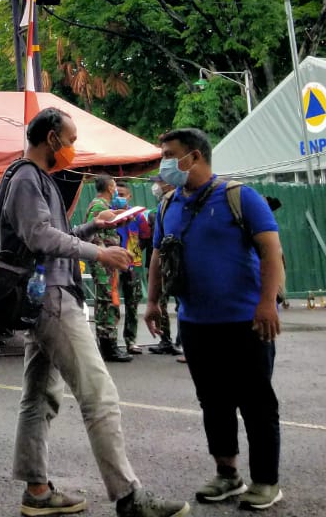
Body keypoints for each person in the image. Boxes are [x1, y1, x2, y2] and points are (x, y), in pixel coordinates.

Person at [0, 108, 189, 517]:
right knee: (99, 395)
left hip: (42, 296)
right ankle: (129, 496)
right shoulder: (29, 178)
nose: (72, 148)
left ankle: (37, 491)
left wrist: (90, 229)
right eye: (70, 140)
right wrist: (98, 252)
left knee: (39, 398)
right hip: (51, 299)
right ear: (51, 139)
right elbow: (39, 236)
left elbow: (52, 234)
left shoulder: (30, 178)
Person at [147, 128, 285, 511]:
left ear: (194, 156)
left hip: (245, 321)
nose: (165, 163)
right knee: (213, 401)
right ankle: (228, 474)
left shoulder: (240, 197)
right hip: (195, 323)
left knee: (257, 402)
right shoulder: (168, 204)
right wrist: (153, 301)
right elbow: (158, 254)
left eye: (170, 155)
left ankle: (266, 482)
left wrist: (267, 304)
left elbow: (271, 251)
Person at [84, 175, 130, 362]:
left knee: (108, 298)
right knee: (107, 300)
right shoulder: (98, 206)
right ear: (111, 187)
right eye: (114, 185)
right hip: (103, 261)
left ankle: (108, 343)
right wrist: (104, 256)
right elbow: (92, 234)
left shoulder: (104, 206)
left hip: (106, 260)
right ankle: (108, 345)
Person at [143, 179, 180, 357]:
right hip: (166, 269)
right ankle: (171, 340)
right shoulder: (163, 207)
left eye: (159, 182)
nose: (156, 186)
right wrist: (152, 301)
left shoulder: (171, 206)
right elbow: (156, 251)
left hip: (177, 270)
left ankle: (175, 340)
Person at [112, 183, 146, 356]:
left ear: (130, 197)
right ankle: (111, 341)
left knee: (132, 303)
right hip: (113, 265)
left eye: (123, 194)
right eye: (116, 194)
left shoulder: (138, 216)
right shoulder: (109, 213)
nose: (119, 197)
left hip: (132, 265)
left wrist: (134, 254)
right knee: (112, 302)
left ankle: (131, 340)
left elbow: (145, 237)